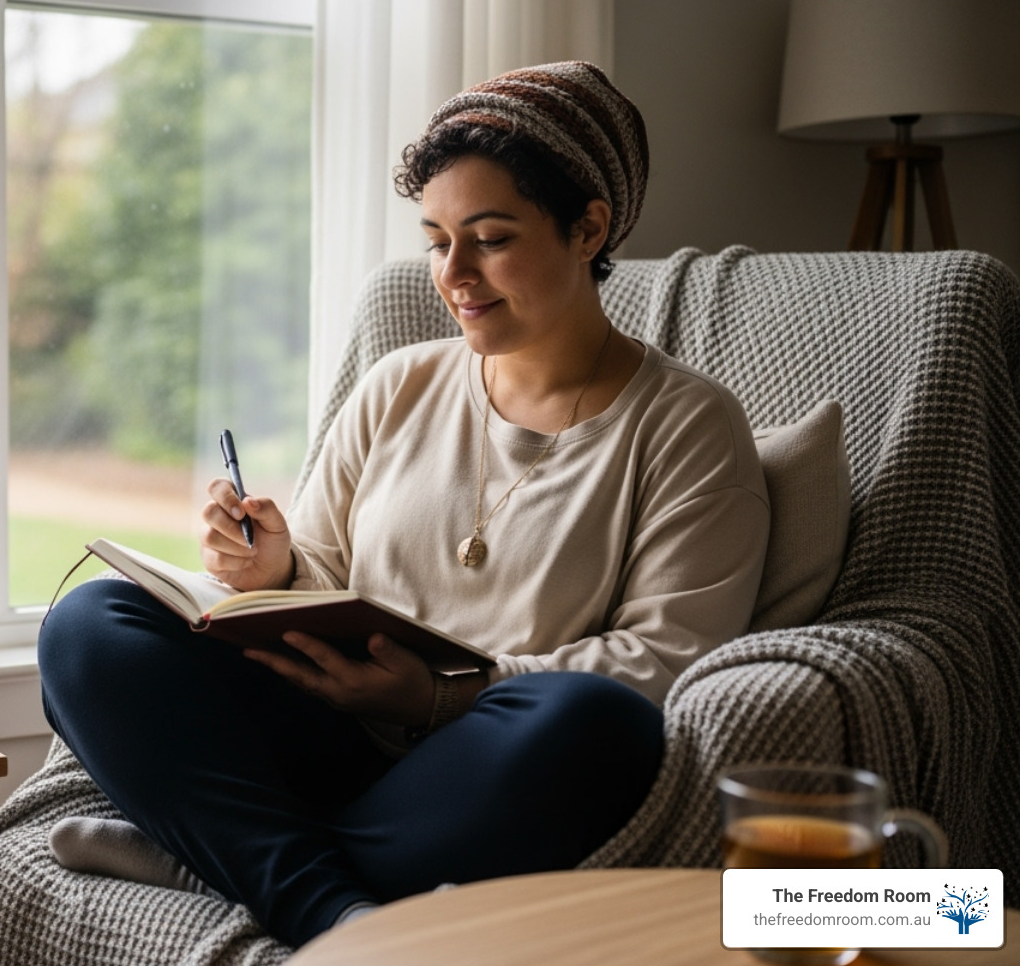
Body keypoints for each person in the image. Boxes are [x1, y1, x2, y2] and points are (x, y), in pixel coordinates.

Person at [38, 61, 770, 949]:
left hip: (476, 761)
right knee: (90, 622)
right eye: (436, 240)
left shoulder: (689, 425)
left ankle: (231, 857)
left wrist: (439, 696)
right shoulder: (398, 385)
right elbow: (323, 575)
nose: (454, 274)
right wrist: (275, 569)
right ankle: (327, 901)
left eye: (489, 239)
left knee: (596, 723)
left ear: (588, 228)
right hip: (322, 729)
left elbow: (667, 659)